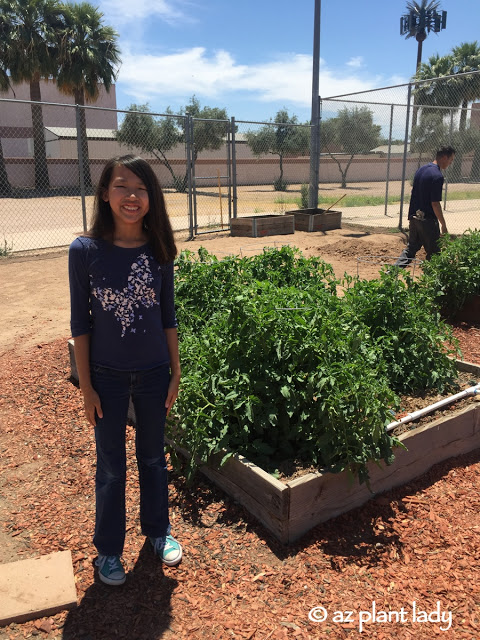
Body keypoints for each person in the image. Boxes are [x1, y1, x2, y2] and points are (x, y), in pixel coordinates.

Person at [68, 154, 182, 586]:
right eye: (122, 186)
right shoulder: (85, 251)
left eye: (141, 188)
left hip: (154, 373)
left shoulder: (159, 251)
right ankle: (109, 551)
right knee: (111, 466)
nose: (132, 196)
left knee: (153, 458)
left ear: (151, 197)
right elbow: (81, 325)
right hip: (107, 377)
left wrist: (175, 370)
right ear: (104, 193)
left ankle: (158, 532)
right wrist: (86, 387)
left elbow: (167, 316)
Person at [394, 145, 456, 268]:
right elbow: (435, 203)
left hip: (414, 217)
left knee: (411, 249)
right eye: (451, 160)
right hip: (427, 221)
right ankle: (434, 284)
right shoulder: (437, 176)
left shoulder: (421, 170)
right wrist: (443, 224)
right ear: (444, 157)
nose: (450, 163)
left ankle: (390, 275)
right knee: (434, 254)